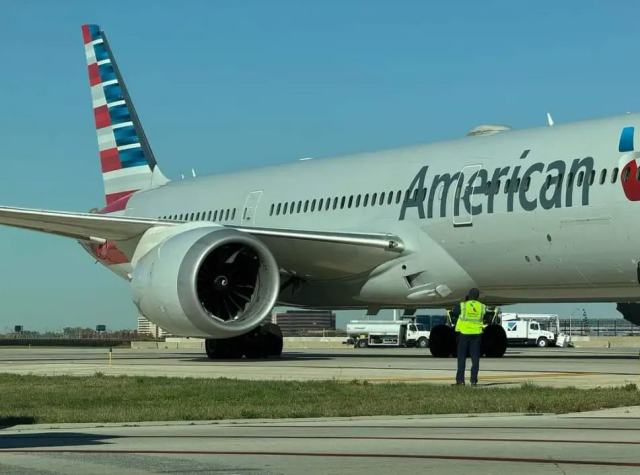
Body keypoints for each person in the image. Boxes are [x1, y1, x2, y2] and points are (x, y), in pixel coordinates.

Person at [451, 288, 486, 386]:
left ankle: (460, 381)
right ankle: (473, 381)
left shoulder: (463, 305)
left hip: (464, 334)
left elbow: (455, 311)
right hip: (477, 334)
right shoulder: (482, 306)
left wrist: (464, 301)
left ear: (468, 295)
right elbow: (485, 315)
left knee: (461, 358)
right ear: (478, 296)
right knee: (475, 359)